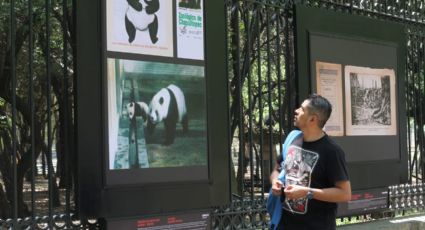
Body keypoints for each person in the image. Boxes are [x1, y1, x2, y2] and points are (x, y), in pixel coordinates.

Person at [268, 94, 351, 230]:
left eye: (302, 109)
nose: (296, 111)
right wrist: (275, 181)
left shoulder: (332, 151)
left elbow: (344, 193)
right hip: (284, 224)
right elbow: (277, 169)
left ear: (312, 119)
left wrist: (307, 192)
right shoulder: (292, 138)